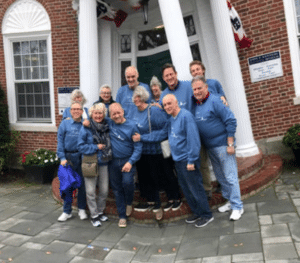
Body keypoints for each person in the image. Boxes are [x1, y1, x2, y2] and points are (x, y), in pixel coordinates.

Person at [133, 94, 214, 228]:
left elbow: (194, 140)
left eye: (170, 103)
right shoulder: (171, 119)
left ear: (176, 103)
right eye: (165, 105)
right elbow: (160, 134)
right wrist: (141, 137)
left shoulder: (185, 116)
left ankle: (206, 215)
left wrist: (192, 160)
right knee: (187, 190)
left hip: (188, 160)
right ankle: (197, 213)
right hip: (178, 161)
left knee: (196, 188)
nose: (167, 107)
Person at [191, 76, 243, 221]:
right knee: (220, 177)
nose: (197, 91)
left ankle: (238, 206)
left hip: (223, 145)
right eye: (194, 89)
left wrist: (230, 143)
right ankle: (230, 201)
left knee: (230, 176)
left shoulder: (215, 101)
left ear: (206, 87)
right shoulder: (195, 104)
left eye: (199, 88)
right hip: (210, 148)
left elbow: (231, 120)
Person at [131, 86, 181, 220]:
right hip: (142, 151)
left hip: (157, 150)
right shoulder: (134, 112)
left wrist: (143, 138)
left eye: (140, 97)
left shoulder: (154, 110)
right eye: (135, 97)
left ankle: (174, 198)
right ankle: (151, 201)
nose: (137, 100)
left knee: (166, 174)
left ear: (144, 98)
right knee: (145, 177)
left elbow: (164, 131)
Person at [108, 103, 143, 227]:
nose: (117, 116)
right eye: (113, 114)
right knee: (117, 189)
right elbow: (94, 117)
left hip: (127, 161)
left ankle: (129, 202)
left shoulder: (132, 126)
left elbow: (138, 147)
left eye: (118, 113)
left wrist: (130, 162)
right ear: (110, 115)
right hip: (113, 162)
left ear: (123, 111)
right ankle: (122, 216)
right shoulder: (109, 123)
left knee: (128, 183)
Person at [77, 103, 112, 227]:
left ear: (104, 114)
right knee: (91, 191)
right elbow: (80, 146)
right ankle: (94, 215)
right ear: (91, 114)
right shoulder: (86, 127)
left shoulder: (106, 126)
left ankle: (100, 211)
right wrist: (95, 147)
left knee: (103, 190)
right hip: (90, 162)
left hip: (103, 161)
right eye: (95, 113)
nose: (98, 115)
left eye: (100, 113)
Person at [57, 102, 88, 222]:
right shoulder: (64, 123)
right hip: (68, 158)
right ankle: (67, 211)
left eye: (78, 109)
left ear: (82, 111)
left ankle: (81, 209)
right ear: (70, 111)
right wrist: (62, 157)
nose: (76, 111)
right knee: (67, 186)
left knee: (82, 185)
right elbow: (60, 141)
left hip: (82, 157)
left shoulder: (85, 124)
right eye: (73, 109)